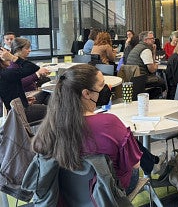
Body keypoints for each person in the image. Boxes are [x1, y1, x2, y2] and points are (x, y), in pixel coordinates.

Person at [30, 64, 166, 197]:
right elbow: (135, 165)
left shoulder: (48, 126)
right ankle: (157, 164)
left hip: (63, 195)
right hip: (107, 193)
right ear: (86, 93)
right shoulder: (110, 123)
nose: (109, 88)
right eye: (102, 85)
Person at [0, 47, 47, 123]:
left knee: (45, 93)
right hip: (19, 112)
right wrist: (13, 58)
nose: (8, 57)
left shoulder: (5, 73)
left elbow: (9, 95)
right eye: (6, 55)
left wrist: (24, 100)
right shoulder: (6, 74)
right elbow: (33, 67)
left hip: (18, 105)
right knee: (54, 111)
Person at [9, 38, 51, 105]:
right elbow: (20, 83)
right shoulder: (13, 65)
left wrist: (40, 74)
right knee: (50, 95)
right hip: (25, 97)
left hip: (29, 93)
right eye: (27, 48)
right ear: (18, 49)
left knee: (50, 97)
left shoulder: (21, 62)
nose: (29, 50)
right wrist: (37, 74)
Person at [126, 31, 166, 98]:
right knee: (162, 83)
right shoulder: (145, 50)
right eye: (152, 39)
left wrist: (153, 52)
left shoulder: (137, 47)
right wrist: (156, 65)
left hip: (132, 78)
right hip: (141, 79)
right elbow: (152, 70)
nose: (154, 40)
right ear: (145, 40)